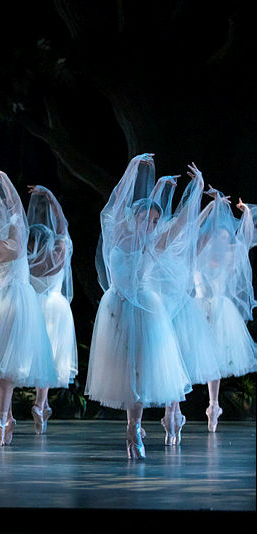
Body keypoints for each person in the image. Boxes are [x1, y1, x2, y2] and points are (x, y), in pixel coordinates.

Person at [86, 153, 191, 459]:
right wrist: (135, 165)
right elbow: (117, 200)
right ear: (135, 217)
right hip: (119, 306)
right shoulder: (118, 233)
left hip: (145, 309)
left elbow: (182, 225)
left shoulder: (153, 242)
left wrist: (192, 187)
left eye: (157, 221)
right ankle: (133, 427)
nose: (153, 224)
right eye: (149, 219)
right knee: (127, 371)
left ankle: (135, 426)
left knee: (141, 371)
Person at [0, 171, 59, 446]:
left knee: (0, 366)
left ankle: (5, 416)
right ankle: (2, 415)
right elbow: (18, 213)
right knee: (8, 366)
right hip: (17, 304)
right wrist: (6, 183)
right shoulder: (14, 244)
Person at [146, 167, 220, 444]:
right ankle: (172, 417)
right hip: (160, 308)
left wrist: (201, 196)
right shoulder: (154, 240)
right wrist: (196, 189)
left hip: (176, 309)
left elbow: (188, 224)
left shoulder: (172, 241)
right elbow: (164, 216)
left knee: (175, 367)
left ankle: (173, 416)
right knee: (168, 367)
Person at [195, 186, 257, 432]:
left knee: (216, 360)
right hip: (197, 311)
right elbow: (190, 232)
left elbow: (247, 238)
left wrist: (247, 215)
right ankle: (174, 410)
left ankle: (213, 405)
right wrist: (214, 206)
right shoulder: (198, 253)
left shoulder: (231, 258)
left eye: (224, 238)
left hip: (221, 312)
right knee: (187, 358)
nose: (220, 241)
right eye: (216, 237)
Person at [25, 185, 79, 434]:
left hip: (34, 306)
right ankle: (41, 402)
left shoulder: (27, 260)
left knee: (37, 354)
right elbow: (63, 227)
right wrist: (51, 196)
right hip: (56, 308)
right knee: (52, 355)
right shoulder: (59, 253)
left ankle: (36, 405)